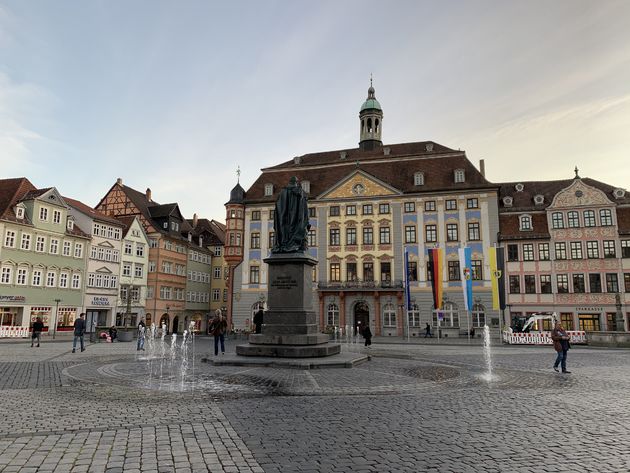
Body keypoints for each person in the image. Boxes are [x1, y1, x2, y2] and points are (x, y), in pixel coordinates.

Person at [272, 176, 311, 253]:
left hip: (283, 222)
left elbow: (278, 208)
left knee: (285, 230)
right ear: (296, 182)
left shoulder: (282, 192)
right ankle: (293, 244)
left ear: (289, 182)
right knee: (297, 227)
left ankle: (285, 243)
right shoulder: (300, 192)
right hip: (297, 219)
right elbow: (304, 209)